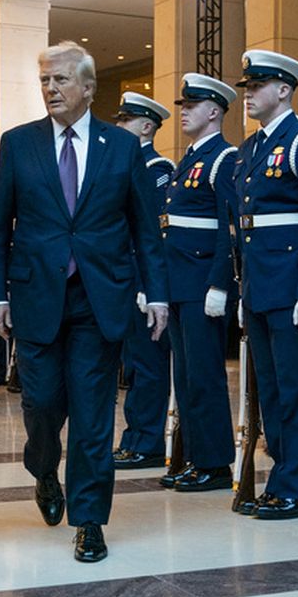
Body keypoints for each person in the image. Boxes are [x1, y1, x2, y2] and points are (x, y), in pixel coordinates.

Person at [0, 41, 168, 563]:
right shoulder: (18, 144)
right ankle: (44, 467)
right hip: (36, 293)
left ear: (89, 88)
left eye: (61, 80)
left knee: (92, 414)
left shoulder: (121, 147)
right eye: (44, 80)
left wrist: (157, 295)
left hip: (99, 297)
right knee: (41, 405)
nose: (51, 89)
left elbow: (144, 230)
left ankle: (89, 520)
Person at [231, 50, 298, 520]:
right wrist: (242, 289)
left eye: (257, 86)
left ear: (283, 89)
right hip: (261, 286)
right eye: (247, 87)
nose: (249, 95)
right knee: (271, 389)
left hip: (294, 286)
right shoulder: (252, 149)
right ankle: (282, 475)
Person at [158, 73, 239, 493]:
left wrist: (220, 285)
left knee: (205, 376)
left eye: (191, 106)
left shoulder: (224, 159)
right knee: (185, 376)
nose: (184, 112)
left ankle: (214, 463)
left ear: (214, 111)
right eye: (183, 106)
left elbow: (230, 229)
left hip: (202, 283)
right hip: (178, 283)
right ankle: (191, 456)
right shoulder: (188, 159)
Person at [111, 91, 175, 469]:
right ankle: (134, 435)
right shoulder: (125, 166)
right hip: (123, 280)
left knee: (148, 364)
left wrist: (146, 285)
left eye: (126, 121)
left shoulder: (157, 169)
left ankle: (147, 441)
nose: (118, 126)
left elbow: (153, 234)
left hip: (143, 282)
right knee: (132, 364)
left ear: (146, 126)